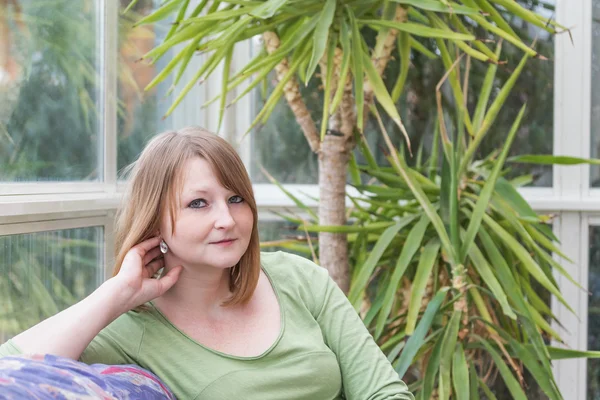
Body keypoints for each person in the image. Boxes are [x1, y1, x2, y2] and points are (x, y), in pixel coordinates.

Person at [0, 127, 414, 400]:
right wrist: (117, 294)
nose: (227, 219)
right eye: (199, 203)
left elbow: (385, 392)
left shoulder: (298, 278)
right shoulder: (134, 329)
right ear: (155, 220)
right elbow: (13, 370)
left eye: (236, 198)